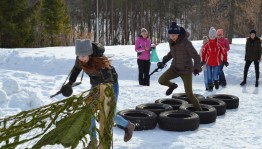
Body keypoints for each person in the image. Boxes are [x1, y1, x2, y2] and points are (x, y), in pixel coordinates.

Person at [61, 39, 135, 148]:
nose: (82, 58)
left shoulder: (99, 60)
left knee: (109, 114)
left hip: (110, 85)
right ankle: (93, 141)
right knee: (88, 111)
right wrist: (69, 84)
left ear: (90, 53)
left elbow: (108, 75)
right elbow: (76, 70)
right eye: (79, 56)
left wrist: (108, 89)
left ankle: (128, 125)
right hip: (96, 86)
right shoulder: (79, 60)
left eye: (84, 56)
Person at [157, 22, 202, 111]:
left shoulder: (186, 43)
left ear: (178, 34)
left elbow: (196, 56)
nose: (172, 37)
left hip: (186, 70)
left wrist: (197, 67)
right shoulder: (172, 42)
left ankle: (200, 111)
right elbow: (172, 53)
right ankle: (173, 86)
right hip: (175, 68)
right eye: (170, 35)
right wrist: (164, 61)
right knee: (161, 80)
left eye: (174, 35)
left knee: (189, 94)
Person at [201, 27, 228, 91]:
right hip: (208, 63)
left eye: (213, 36)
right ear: (209, 36)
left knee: (215, 76)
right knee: (209, 76)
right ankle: (210, 85)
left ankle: (216, 81)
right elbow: (203, 53)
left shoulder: (219, 44)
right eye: (211, 36)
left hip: (217, 63)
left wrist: (225, 61)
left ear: (216, 36)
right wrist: (203, 60)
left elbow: (224, 52)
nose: (212, 37)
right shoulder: (207, 44)